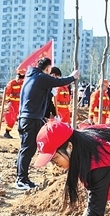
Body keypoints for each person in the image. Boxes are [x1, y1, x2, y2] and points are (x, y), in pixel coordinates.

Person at [15, 57, 79, 190]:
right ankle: (21, 179)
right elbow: (60, 81)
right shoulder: (40, 77)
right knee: (28, 149)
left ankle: (24, 178)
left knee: (27, 149)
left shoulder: (31, 76)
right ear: (48, 68)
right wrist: (73, 77)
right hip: (31, 118)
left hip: (26, 118)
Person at [2, 69, 25, 139]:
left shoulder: (23, 83)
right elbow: (7, 93)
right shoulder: (12, 83)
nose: (20, 81)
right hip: (13, 103)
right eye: (19, 79)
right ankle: (7, 132)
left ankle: (23, 133)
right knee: (12, 118)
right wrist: (8, 100)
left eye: (21, 79)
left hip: (21, 103)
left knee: (23, 118)